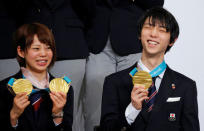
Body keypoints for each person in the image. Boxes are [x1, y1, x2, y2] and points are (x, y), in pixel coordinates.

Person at [100, 7, 200, 131]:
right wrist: (133, 109)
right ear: (139, 34)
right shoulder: (114, 82)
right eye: (148, 27)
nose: (153, 34)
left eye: (162, 29)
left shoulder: (185, 86)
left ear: (172, 40)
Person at [83, 0, 164, 131]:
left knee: (136, 98)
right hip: (98, 37)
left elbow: (156, 2)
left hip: (133, 39)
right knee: (95, 103)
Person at [16, 0, 93, 130]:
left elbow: (89, 10)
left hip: (69, 43)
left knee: (70, 107)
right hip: (31, 40)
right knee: (26, 106)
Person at [0, 23, 73, 131]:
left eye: (48, 48)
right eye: (36, 48)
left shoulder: (65, 89)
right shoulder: (4, 88)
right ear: (21, 51)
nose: (43, 54)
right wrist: (13, 116)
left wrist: (57, 114)